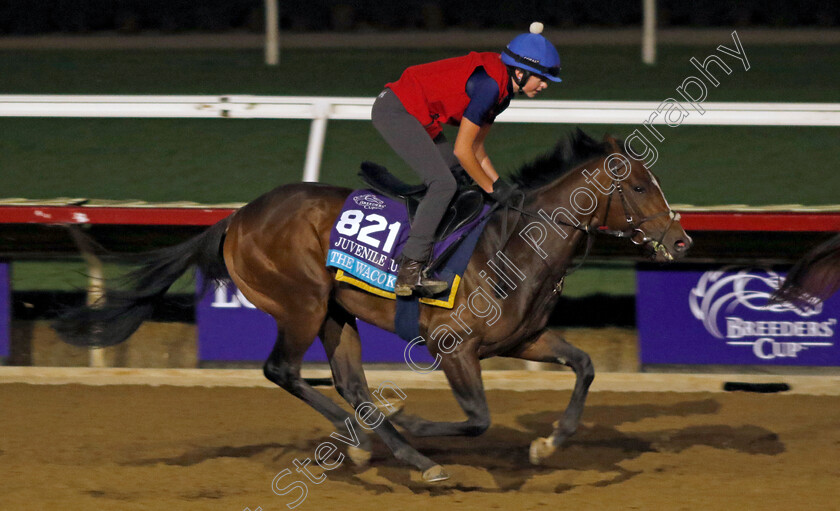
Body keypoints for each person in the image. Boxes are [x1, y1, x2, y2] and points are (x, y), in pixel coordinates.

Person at [371, 22, 562, 297]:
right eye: (541, 78)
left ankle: (441, 257)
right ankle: (409, 269)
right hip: (396, 110)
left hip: (420, 116)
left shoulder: (504, 93)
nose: (544, 85)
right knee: (444, 184)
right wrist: (491, 189)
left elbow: (477, 148)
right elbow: (463, 149)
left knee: (460, 177)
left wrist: (501, 186)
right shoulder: (489, 87)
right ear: (519, 72)